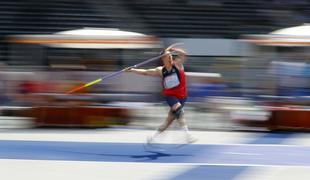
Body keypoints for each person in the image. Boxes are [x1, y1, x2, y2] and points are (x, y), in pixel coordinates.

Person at [125, 46, 197, 145]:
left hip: (182, 96)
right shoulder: (160, 70)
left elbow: (183, 54)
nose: (171, 57)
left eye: (171, 56)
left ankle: (152, 137)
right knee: (179, 109)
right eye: (168, 56)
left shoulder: (177, 64)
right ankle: (187, 135)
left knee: (169, 121)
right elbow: (146, 72)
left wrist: (172, 50)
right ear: (164, 58)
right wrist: (133, 70)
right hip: (170, 96)